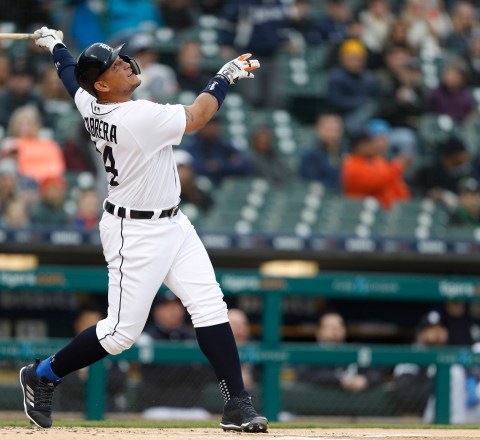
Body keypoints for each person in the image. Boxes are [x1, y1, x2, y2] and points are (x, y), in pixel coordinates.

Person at [18, 27, 268, 432]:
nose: (124, 63)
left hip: (173, 222)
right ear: (103, 84)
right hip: (132, 232)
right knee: (120, 334)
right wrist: (223, 77)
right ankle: (43, 374)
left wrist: (56, 47)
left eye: (120, 58)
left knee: (210, 307)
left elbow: (70, 78)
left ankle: (236, 403)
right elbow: (198, 116)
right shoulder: (136, 116)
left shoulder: (91, 102)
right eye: (114, 65)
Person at [393, 310, 480, 424]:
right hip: (428, 414)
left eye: (441, 328)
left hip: (466, 411)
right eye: (432, 329)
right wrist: (438, 385)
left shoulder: (452, 355)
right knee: (453, 373)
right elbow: (406, 394)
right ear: (421, 334)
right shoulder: (412, 357)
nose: (438, 333)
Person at [136, 290, 215, 414]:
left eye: (178, 306)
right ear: (157, 311)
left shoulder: (192, 337)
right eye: (168, 307)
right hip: (157, 407)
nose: (174, 311)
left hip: (193, 408)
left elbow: (206, 373)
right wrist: (189, 368)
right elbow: (157, 375)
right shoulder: (146, 338)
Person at [295, 310, 387, 393]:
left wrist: (365, 380)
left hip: (352, 407)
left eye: (339, 327)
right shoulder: (310, 352)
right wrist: (339, 380)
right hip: (315, 406)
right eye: (330, 327)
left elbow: (378, 373)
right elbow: (305, 375)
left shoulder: (354, 351)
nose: (336, 330)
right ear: (319, 333)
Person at [341, 131, 411, 210]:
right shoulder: (350, 163)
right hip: (360, 210)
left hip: (388, 209)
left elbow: (393, 181)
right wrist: (398, 165)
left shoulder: (377, 160)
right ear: (358, 146)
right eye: (367, 143)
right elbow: (374, 182)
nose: (372, 146)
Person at [299, 113, 345, 190]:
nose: (333, 134)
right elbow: (310, 182)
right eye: (329, 130)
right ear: (318, 129)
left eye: (336, 130)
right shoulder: (310, 155)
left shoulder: (345, 152)